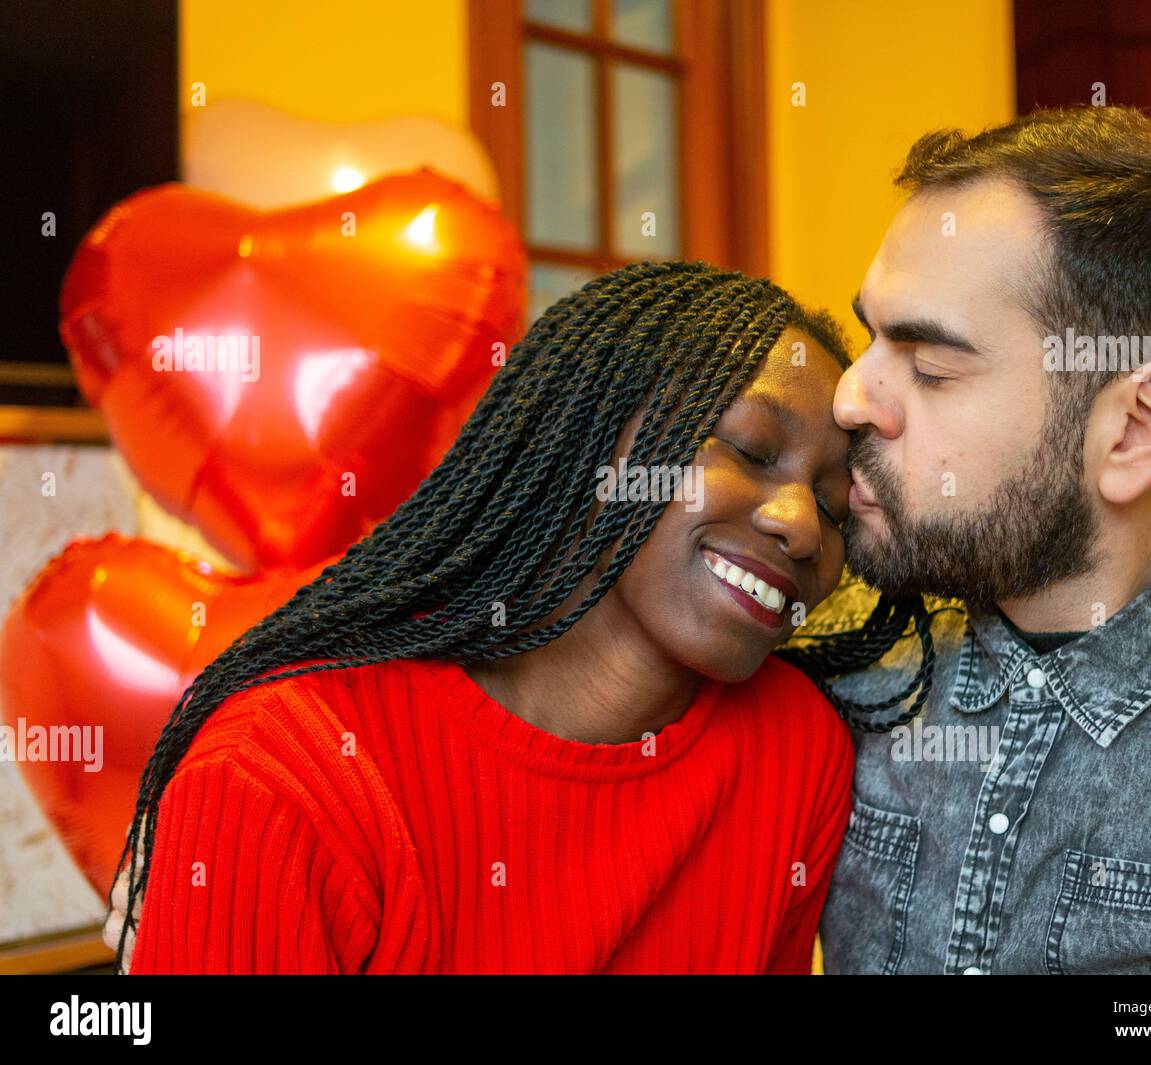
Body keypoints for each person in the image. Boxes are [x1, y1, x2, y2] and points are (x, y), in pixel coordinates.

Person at [105, 260, 930, 974]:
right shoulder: (284, 774)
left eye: (834, 507)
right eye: (749, 449)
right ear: (586, 436)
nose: (801, 523)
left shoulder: (794, 749)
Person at [795, 105, 1151, 974]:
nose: (850, 399)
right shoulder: (824, 636)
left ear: (1139, 426)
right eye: (872, 336)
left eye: (931, 367)